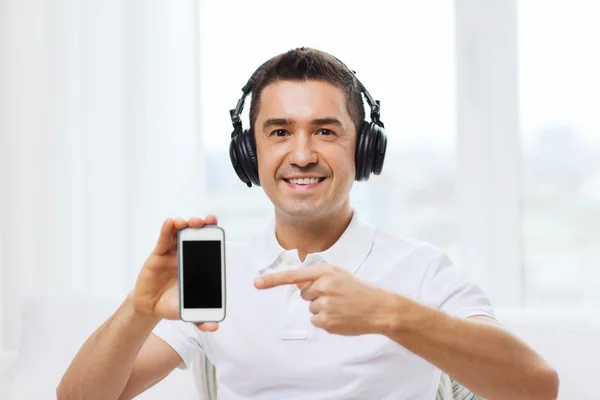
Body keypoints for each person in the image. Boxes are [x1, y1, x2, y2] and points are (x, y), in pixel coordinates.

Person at [57, 47, 558, 400]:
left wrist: (388, 314)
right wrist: (139, 308)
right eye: (279, 132)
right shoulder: (217, 276)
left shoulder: (421, 271)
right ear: (250, 153)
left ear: (363, 148)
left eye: (325, 130)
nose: (301, 155)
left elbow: (536, 388)